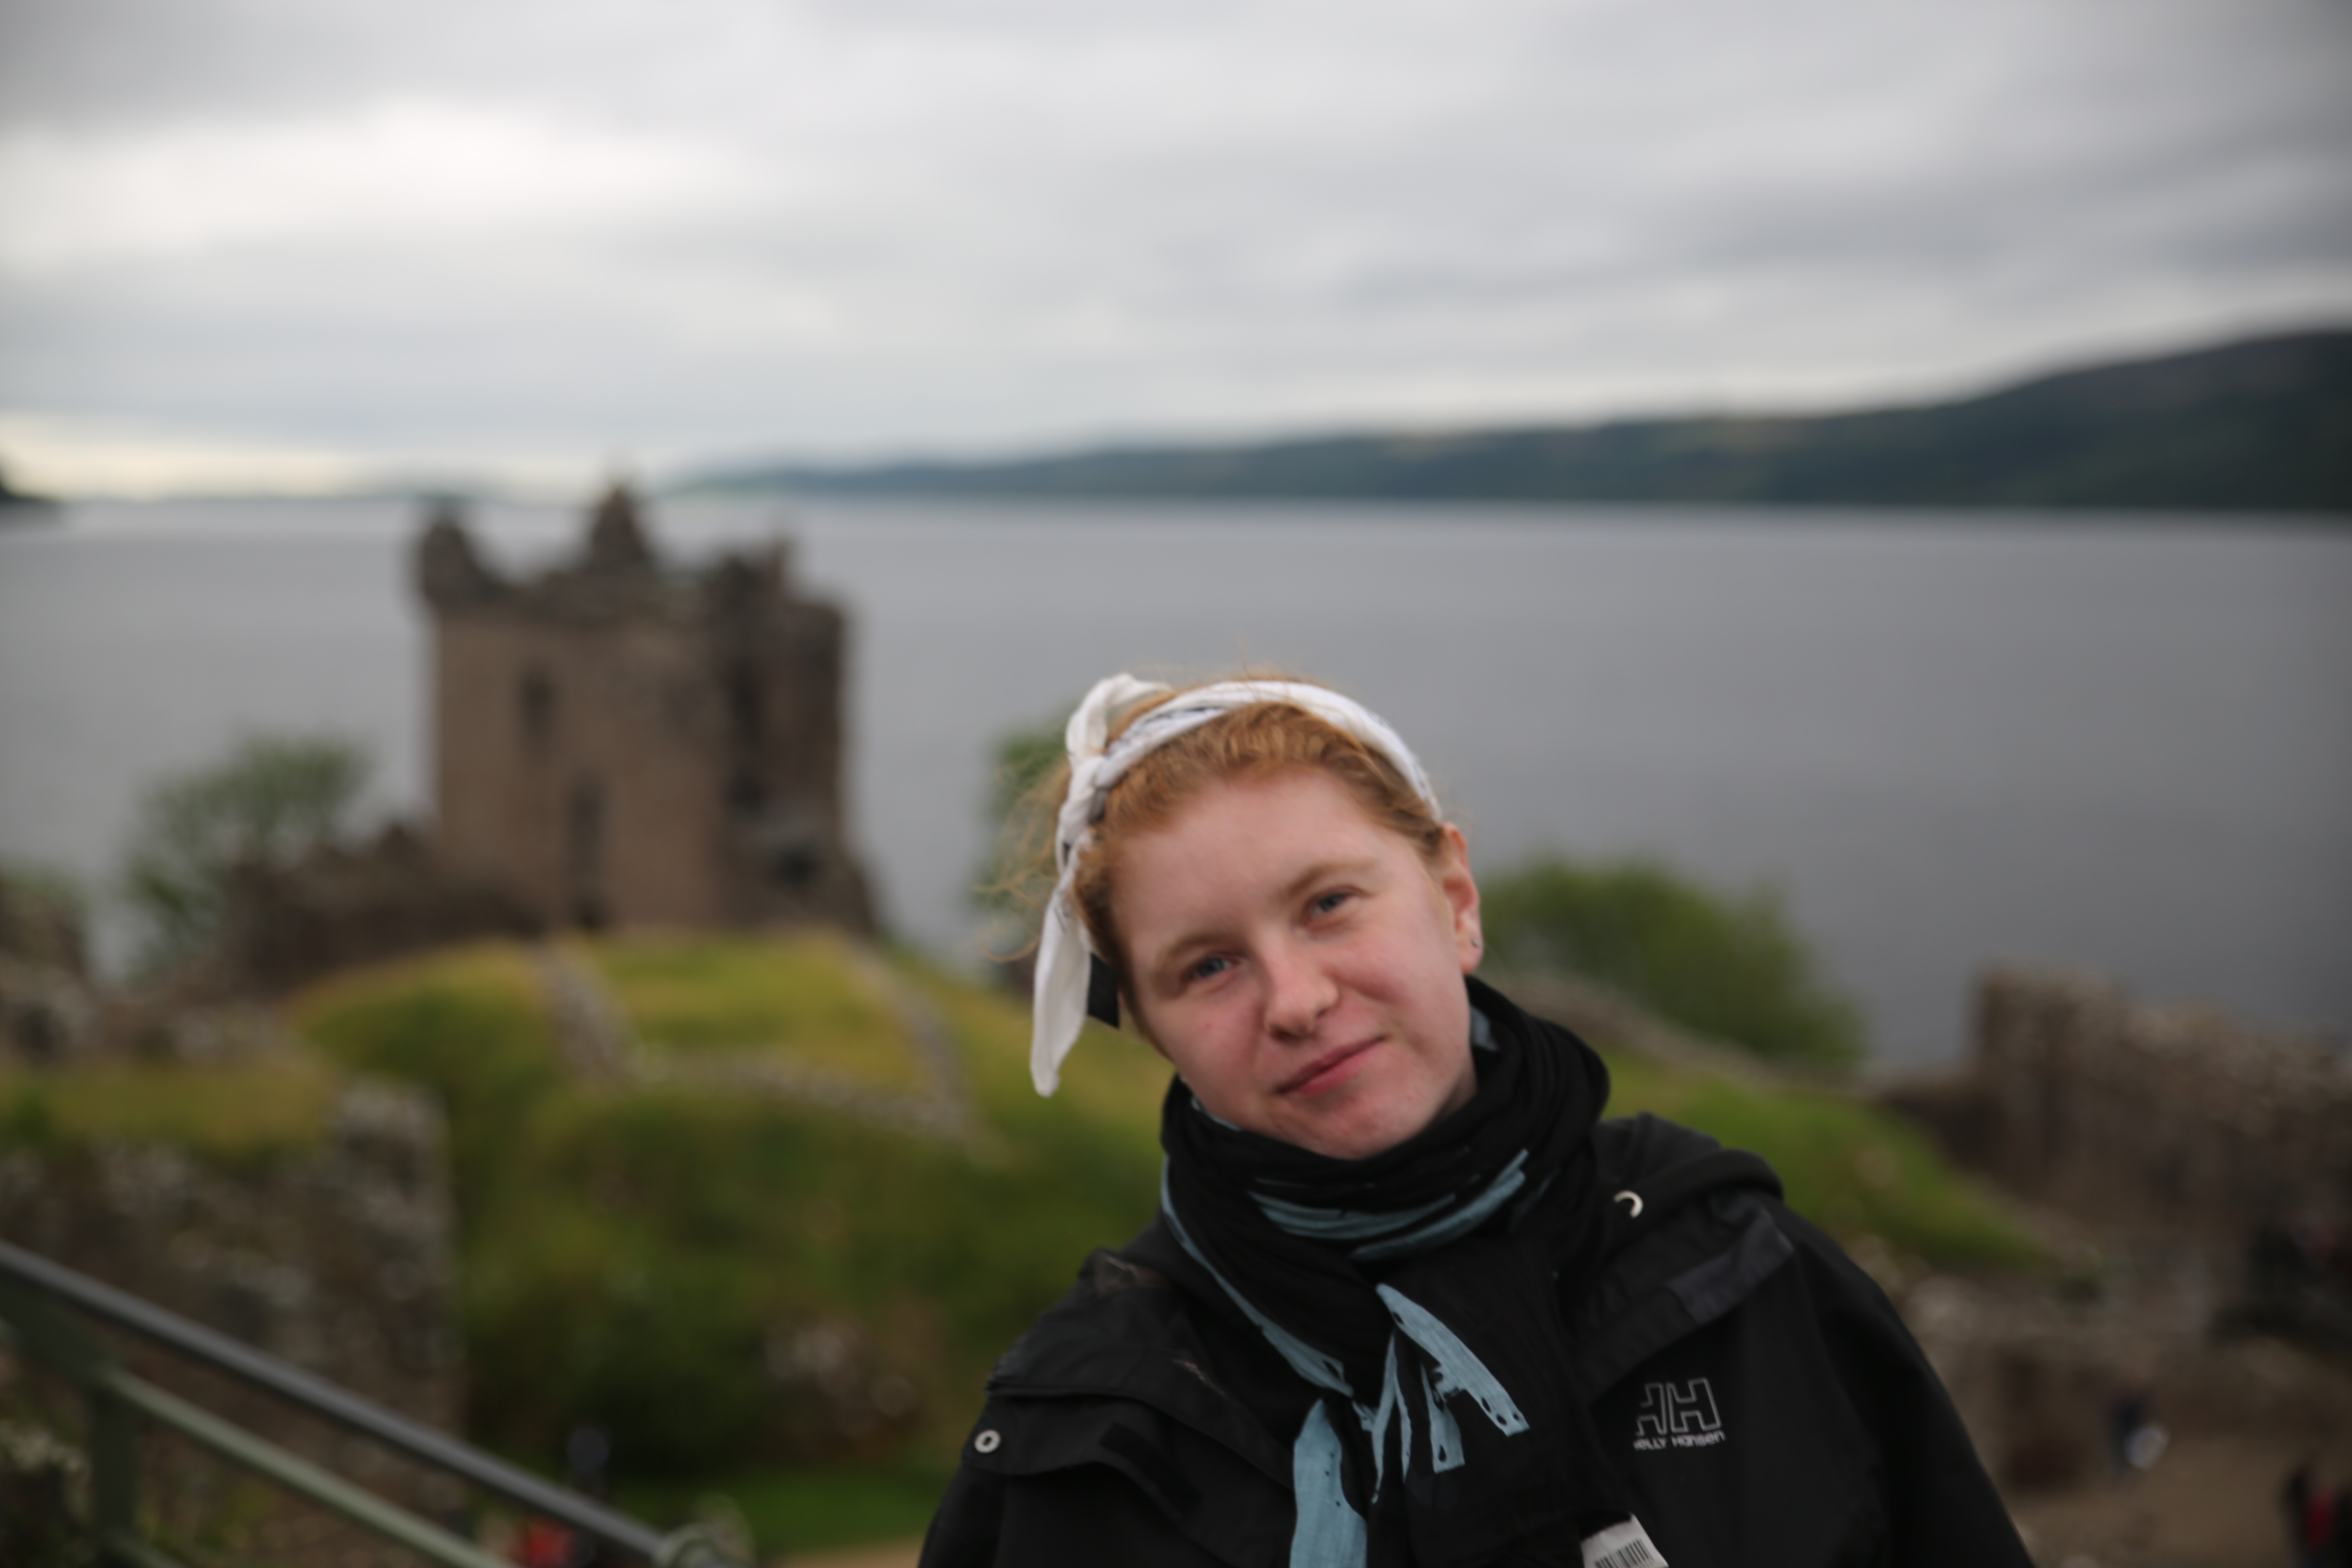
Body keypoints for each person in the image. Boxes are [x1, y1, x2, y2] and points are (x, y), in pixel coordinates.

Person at [920, 673, 2033, 1568]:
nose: (1296, 1001)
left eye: (1329, 904)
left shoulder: (1742, 1279)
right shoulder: (1093, 1435)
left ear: (1455, 901)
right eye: (1207, 967)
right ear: (1156, 1031)